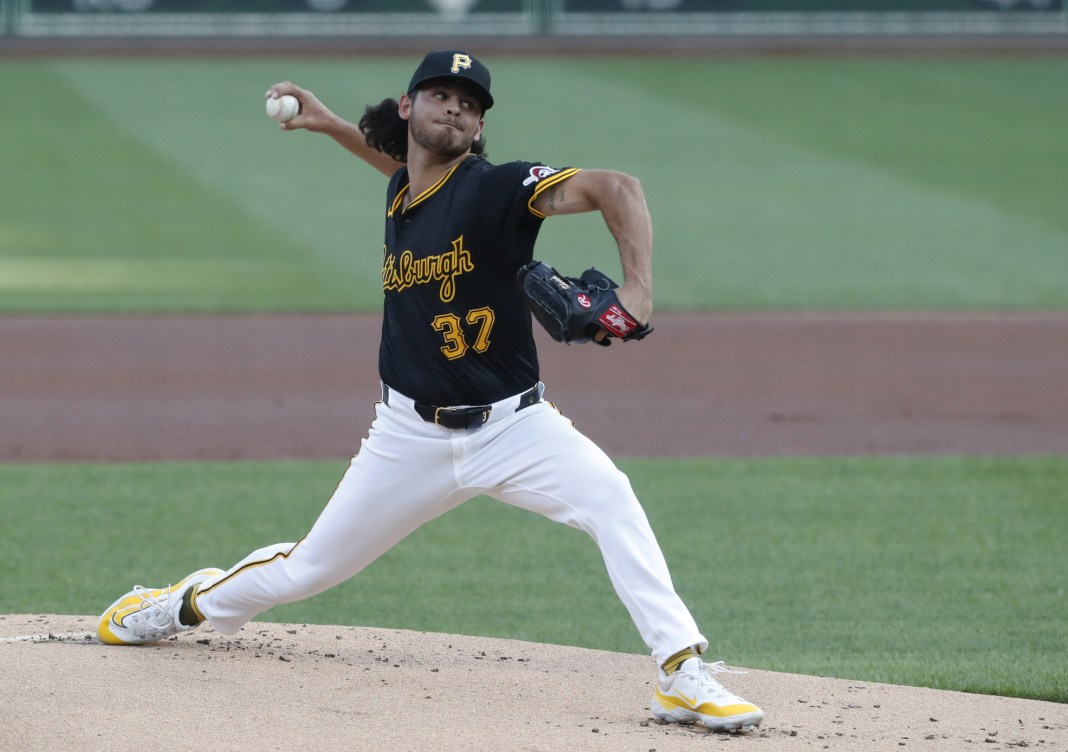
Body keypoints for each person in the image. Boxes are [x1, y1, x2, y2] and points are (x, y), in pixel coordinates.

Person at [96, 49, 764, 733]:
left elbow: (618, 186)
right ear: (409, 107)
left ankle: (681, 670)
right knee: (306, 571)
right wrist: (329, 124)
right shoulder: (403, 192)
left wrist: (638, 293)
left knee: (610, 498)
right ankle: (185, 602)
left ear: (477, 130)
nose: (457, 107)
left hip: (516, 429)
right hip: (407, 439)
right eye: (442, 94)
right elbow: (400, 169)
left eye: (471, 104)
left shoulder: (499, 188)